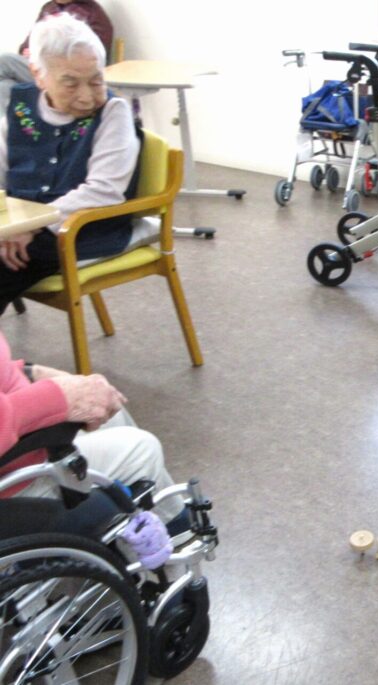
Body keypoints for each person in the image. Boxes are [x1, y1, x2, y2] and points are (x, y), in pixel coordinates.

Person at [0, 13, 139, 315]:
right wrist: (7, 227)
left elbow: (103, 190)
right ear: (38, 75)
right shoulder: (19, 106)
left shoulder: (113, 112)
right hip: (21, 225)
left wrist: (31, 226)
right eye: (71, 83)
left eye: (96, 80)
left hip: (78, 229)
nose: (87, 96)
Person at [0, 330, 187, 538]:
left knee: (112, 412)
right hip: (13, 482)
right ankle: (174, 534)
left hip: (18, 433)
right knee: (142, 450)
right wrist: (58, 397)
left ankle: (167, 520)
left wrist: (28, 372)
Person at [0, 0, 114, 112]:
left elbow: (96, 55)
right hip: (36, 66)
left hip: (68, 73)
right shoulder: (48, 7)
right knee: (4, 86)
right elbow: (29, 42)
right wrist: (31, 51)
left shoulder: (92, 11)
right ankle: (11, 123)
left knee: (4, 60)